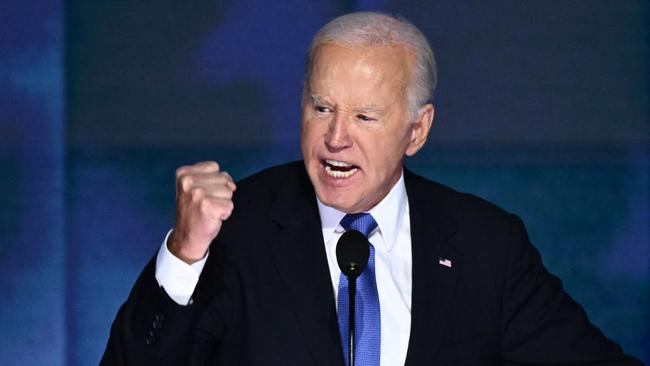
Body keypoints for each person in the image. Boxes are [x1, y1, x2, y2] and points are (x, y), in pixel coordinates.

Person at [101, 12, 642, 366]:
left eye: (364, 116)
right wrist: (183, 254)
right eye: (321, 109)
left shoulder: (485, 246)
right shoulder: (235, 231)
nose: (336, 138)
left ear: (417, 129)